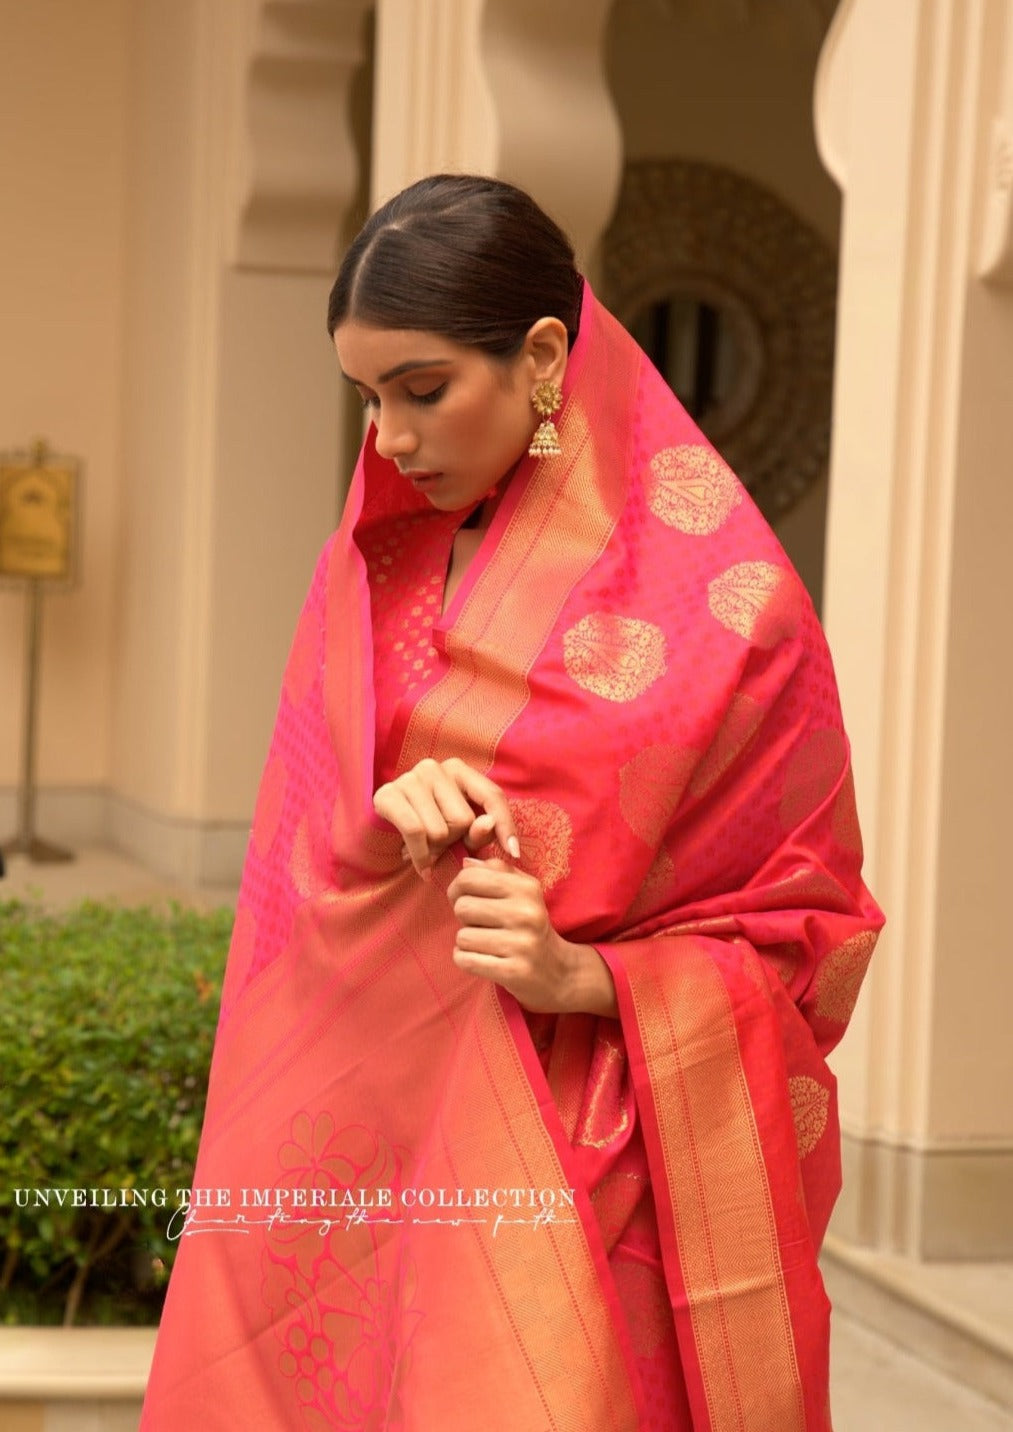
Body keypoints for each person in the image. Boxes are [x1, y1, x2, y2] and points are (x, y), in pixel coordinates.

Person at [141, 174, 883, 1431]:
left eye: (421, 390)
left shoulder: (731, 612)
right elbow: (295, 871)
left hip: (596, 1173)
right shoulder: (368, 575)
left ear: (541, 357)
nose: (389, 440)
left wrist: (590, 982)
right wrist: (384, 815)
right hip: (356, 1142)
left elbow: (811, 934)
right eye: (368, 399)